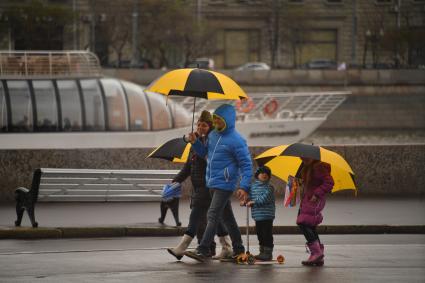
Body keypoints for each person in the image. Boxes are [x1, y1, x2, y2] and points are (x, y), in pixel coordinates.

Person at [184, 104, 253, 263]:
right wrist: (195, 143)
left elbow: (246, 165)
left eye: (218, 119)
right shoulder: (213, 135)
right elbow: (204, 153)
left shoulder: (237, 140)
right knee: (228, 218)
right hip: (211, 182)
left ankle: (203, 249)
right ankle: (238, 249)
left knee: (212, 214)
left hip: (225, 184)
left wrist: (244, 186)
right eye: (214, 119)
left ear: (227, 120)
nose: (215, 122)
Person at [167, 110, 232, 260]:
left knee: (195, 217)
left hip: (208, 186)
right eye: (198, 124)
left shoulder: (212, 142)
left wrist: (196, 143)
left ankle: (181, 248)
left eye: (204, 125)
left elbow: (209, 159)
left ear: (210, 127)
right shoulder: (194, 143)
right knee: (215, 219)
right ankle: (227, 247)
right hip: (199, 188)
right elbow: (188, 167)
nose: (200, 127)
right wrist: (176, 179)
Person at [296, 157, 334, 266]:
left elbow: (329, 183)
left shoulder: (319, 167)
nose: (302, 159)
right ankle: (319, 255)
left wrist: (317, 193)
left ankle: (316, 252)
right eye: (301, 157)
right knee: (310, 225)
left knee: (302, 222)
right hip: (308, 199)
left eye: (304, 157)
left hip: (315, 199)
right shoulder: (307, 167)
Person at [245, 165, 275, 261]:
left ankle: (268, 252)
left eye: (266, 173)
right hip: (257, 216)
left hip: (267, 215)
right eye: (262, 173)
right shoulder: (253, 187)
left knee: (267, 234)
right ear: (257, 175)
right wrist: (245, 201)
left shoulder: (270, 188)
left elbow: (264, 198)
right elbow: (250, 197)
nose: (264, 175)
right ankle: (262, 251)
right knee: (260, 234)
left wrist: (254, 202)